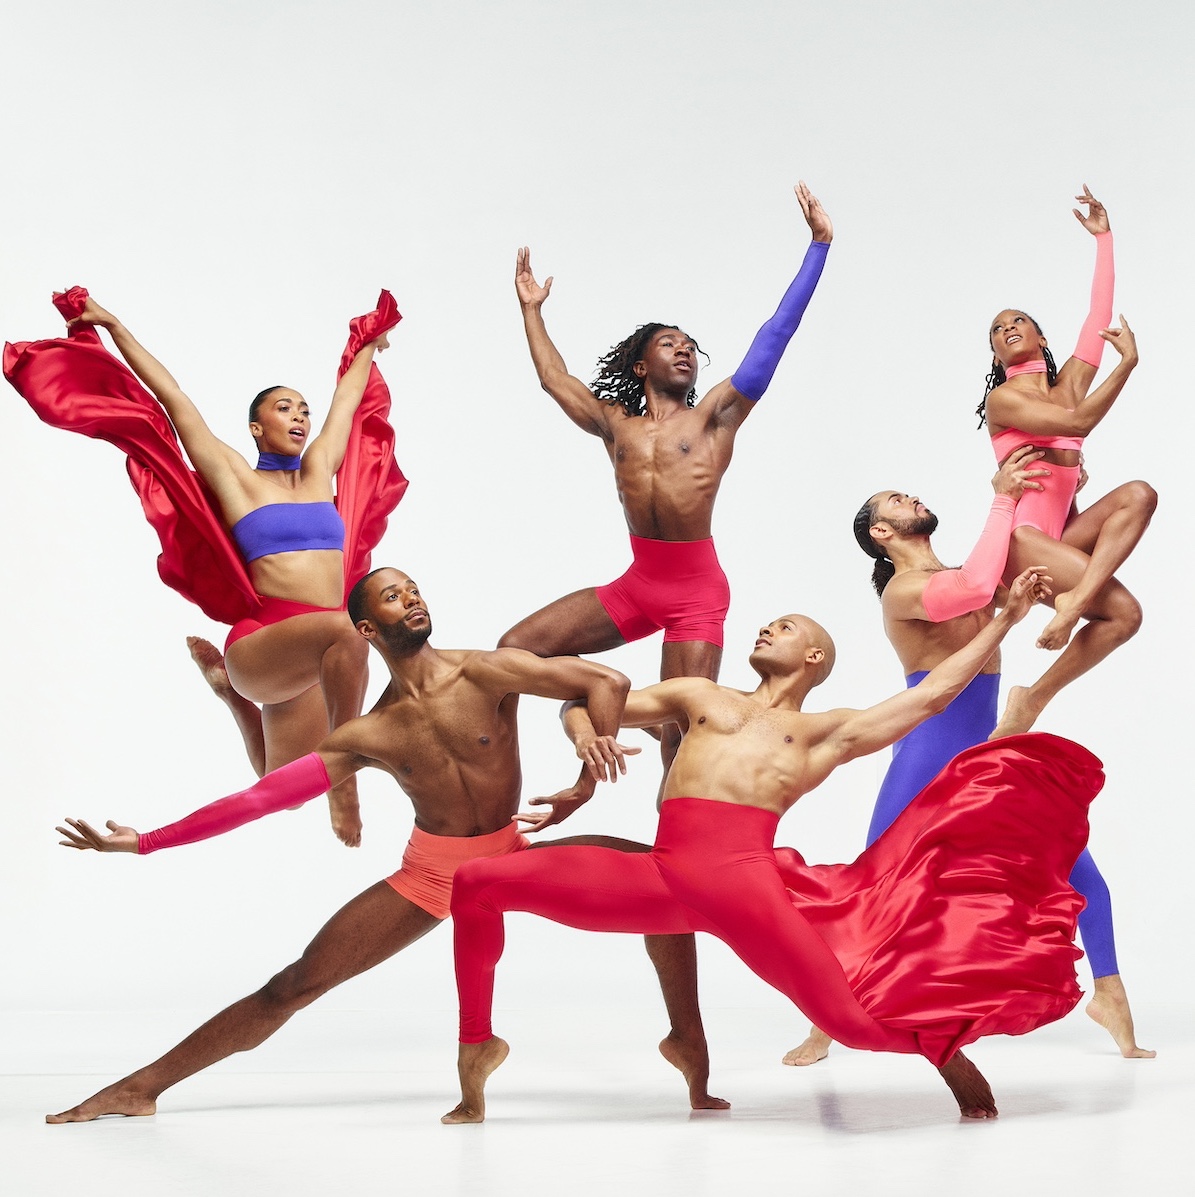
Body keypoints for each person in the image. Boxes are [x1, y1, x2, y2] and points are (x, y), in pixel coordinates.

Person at [441, 566, 1102, 1126]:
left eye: (785, 627)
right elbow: (584, 697)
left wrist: (1003, 619)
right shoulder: (698, 695)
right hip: (664, 876)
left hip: (743, 887)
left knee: (850, 1027)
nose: (766, 629)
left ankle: (943, 1047)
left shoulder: (823, 732)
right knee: (476, 883)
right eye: (768, 624)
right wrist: (584, 735)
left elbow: (930, 695)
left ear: (813, 657)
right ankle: (478, 1045)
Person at [47, 567, 640, 1124]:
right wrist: (147, 841)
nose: (411, 598)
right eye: (392, 596)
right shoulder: (368, 734)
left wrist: (586, 783)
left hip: (512, 855)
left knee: (671, 877)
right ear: (365, 629)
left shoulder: (486, 671)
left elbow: (605, 681)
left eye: (413, 589)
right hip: (431, 878)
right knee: (293, 984)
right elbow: (261, 799)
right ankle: (140, 1088)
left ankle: (688, 1049)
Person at [500, 182, 833, 1099]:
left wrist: (815, 251)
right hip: (635, 581)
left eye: (693, 344)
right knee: (508, 654)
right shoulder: (617, 420)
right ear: (644, 363)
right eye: (670, 343)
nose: (687, 350)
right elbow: (554, 382)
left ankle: (685, 1027)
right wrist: (530, 312)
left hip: (692, 596)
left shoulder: (717, 415)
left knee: (675, 767)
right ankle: (554, 772)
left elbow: (773, 338)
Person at [781, 459, 1153, 1068]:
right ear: (882, 533)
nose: (911, 496)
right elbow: (980, 591)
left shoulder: (965, 572)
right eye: (895, 501)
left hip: (988, 746)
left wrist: (1065, 505)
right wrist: (1002, 501)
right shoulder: (905, 592)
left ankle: (1109, 996)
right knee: (870, 887)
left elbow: (1007, 581)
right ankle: (823, 1024)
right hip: (927, 752)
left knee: (1081, 876)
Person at [5, 288, 406, 846]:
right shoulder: (235, 477)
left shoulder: (319, 472)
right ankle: (345, 775)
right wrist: (115, 326)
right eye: (283, 407)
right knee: (351, 629)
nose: (300, 415)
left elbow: (346, 401)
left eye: (303, 408)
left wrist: (368, 345)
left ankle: (232, 699)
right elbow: (172, 398)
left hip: (315, 656)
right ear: (256, 428)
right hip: (267, 642)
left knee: (285, 791)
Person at [976, 185, 1156, 737]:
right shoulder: (1004, 400)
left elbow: (1099, 312)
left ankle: (1032, 698)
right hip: (1022, 544)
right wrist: (1125, 368)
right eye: (996, 330)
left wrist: (1104, 236)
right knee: (1119, 609)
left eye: (1018, 321)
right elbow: (1078, 425)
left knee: (1140, 496)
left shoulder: (1071, 382)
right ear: (996, 354)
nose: (1007, 327)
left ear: (1040, 336)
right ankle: (1074, 601)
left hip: (1061, 539)